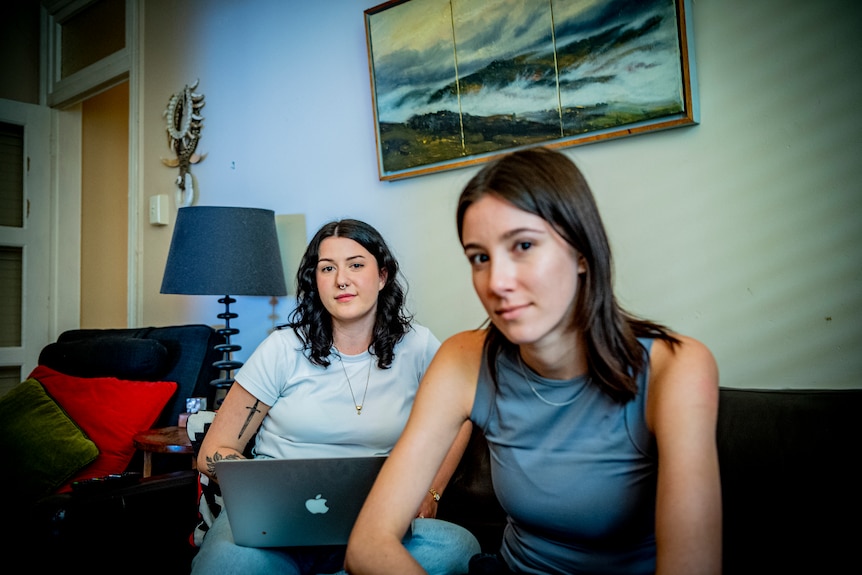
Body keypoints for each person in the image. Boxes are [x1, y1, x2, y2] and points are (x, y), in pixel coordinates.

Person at [345, 147, 722, 574]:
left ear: (582, 253)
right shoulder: (463, 359)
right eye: (480, 258)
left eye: (523, 245)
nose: (498, 282)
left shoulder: (678, 367)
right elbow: (369, 543)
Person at [191, 219, 479, 575]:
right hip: (275, 525)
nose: (342, 279)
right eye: (328, 268)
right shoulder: (282, 348)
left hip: (377, 521)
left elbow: (463, 416)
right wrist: (263, 493)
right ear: (316, 282)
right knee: (229, 566)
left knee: (457, 548)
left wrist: (431, 492)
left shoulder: (418, 346)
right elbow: (212, 452)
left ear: (382, 276)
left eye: (356, 264)